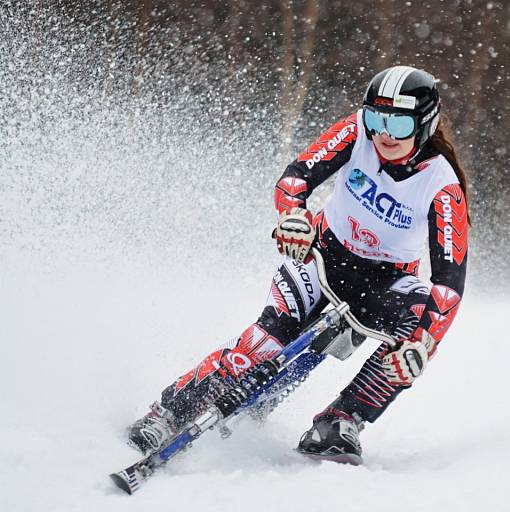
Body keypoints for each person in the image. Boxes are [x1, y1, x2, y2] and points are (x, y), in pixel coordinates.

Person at [127, 65, 470, 464]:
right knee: (270, 338)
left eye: (399, 123)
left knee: (416, 332)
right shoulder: (358, 130)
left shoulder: (442, 185)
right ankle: (170, 411)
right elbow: (296, 179)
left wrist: (422, 341)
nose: (384, 135)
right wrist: (293, 217)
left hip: (386, 282)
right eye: (377, 119)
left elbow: (448, 285)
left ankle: (341, 421)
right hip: (323, 253)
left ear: (425, 123)